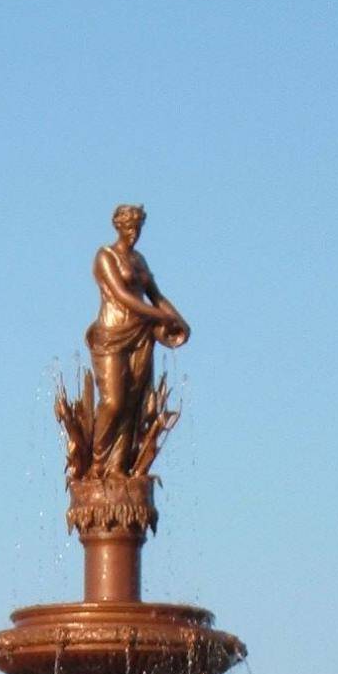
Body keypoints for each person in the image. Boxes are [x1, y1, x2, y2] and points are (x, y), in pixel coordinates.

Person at [87, 204, 189, 476]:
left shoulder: (140, 260)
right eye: (129, 228)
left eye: (138, 229)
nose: (134, 234)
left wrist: (178, 319)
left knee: (133, 402)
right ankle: (97, 464)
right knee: (113, 401)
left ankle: (118, 467)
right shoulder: (105, 256)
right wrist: (159, 316)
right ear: (118, 228)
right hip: (111, 334)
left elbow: (155, 294)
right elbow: (123, 296)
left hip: (142, 335)